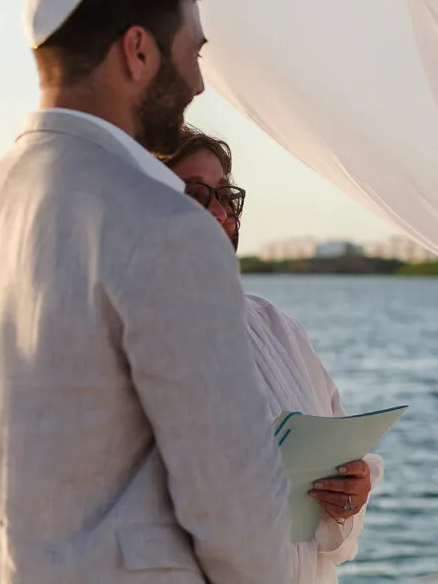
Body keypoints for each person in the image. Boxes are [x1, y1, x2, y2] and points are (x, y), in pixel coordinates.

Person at [0, 0, 293, 584]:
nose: (199, 82)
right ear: (138, 50)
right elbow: (235, 510)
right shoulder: (166, 226)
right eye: (194, 53)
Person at [161, 128, 383, 584]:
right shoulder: (119, 335)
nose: (221, 213)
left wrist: (349, 495)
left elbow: (336, 461)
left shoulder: (277, 327)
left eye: (225, 195)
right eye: (195, 194)